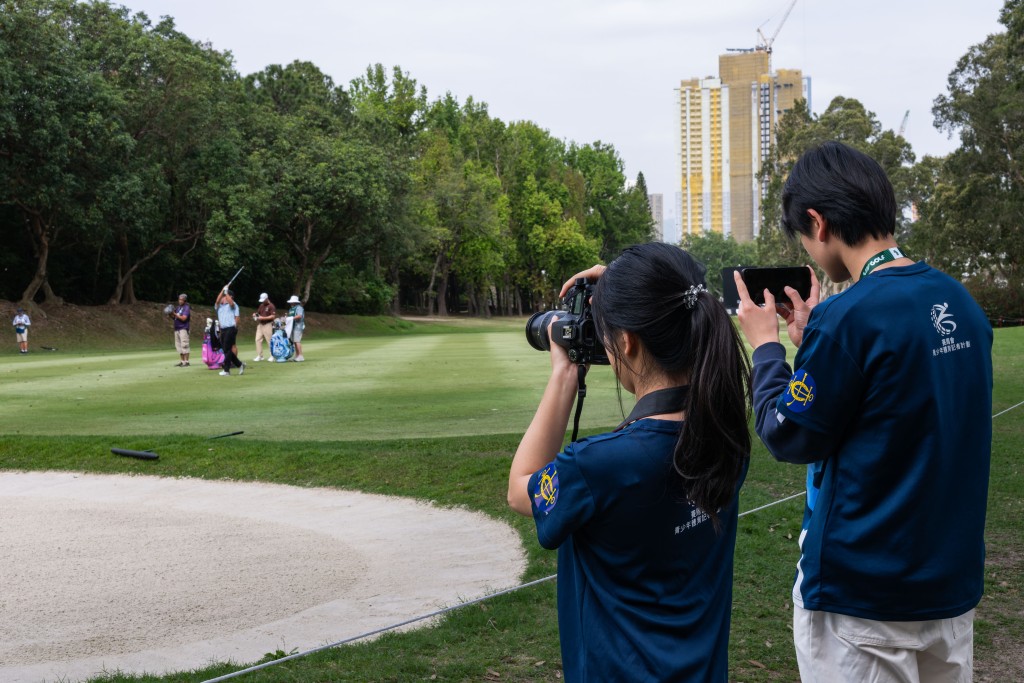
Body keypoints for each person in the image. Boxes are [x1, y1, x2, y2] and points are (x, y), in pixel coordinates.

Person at [732, 141, 993, 682]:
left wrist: (766, 347)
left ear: (817, 222)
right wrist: (815, 347)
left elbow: (787, 434)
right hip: (947, 591)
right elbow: (892, 406)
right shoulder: (961, 303)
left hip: (864, 600)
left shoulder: (850, 318)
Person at [508, 242, 752, 682]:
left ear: (626, 341)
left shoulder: (598, 467)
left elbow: (520, 487)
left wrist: (565, 373)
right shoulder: (728, 438)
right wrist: (630, 283)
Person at [214, 286, 245, 376]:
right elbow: (217, 301)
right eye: (223, 297)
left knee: (227, 348)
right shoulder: (219, 306)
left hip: (231, 328)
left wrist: (226, 292)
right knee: (225, 350)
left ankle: (226, 370)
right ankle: (240, 364)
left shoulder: (233, 305)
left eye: (225, 297)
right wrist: (222, 290)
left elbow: (231, 303)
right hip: (222, 329)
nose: (223, 298)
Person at [252, 292, 276, 361]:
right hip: (260, 325)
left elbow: (273, 316)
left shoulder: (271, 306)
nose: (262, 302)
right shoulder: (261, 305)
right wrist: (255, 314)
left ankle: (272, 356)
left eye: (263, 300)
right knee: (257, 340)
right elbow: (258, 313)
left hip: (268, 324)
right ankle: (260, 356)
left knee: (269, 341)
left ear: (266, 299)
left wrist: (263, 318)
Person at [170, 293, 191, 367]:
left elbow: (184, 318)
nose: (180, 301)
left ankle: (186, 362)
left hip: (183, 328)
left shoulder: (186, 308)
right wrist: (170, 314)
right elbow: (174, 317)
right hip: (177, 328)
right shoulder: (178, 308)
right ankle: (182, 361)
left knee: (184, 345)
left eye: (182, 299)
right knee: (178, 346)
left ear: (185, 300)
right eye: (179, 299)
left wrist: (175, 314)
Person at [286, 294, 305, 362]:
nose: (291, 303)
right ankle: (297, 356)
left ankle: (300, 356)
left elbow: (299, 316)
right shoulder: (291, 309)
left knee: (297, 341)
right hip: (292, 327)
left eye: (292, 302)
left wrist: (291, 318)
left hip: (298, 327)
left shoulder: (299, 308)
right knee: (294, 342)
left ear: (295, 302)